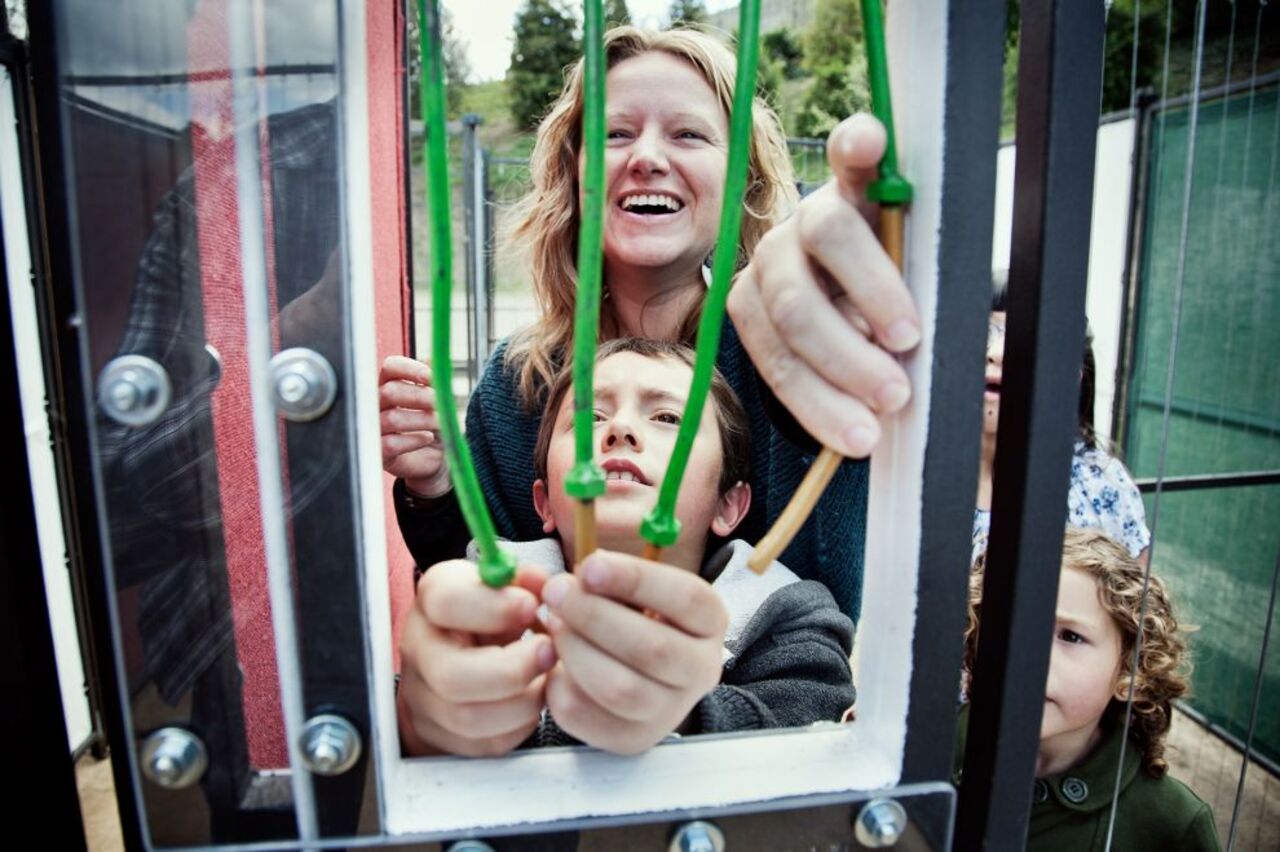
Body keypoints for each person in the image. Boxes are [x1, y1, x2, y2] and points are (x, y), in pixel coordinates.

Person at [381, 25, 922, 622]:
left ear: (743, 176)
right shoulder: (517, 383)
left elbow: (841, 568)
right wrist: (434, 490)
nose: (647, 158)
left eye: (689, 134)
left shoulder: (790, 341)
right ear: (575, 173)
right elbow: (487, 577)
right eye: (615, 134)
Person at [396, 338, 855, 757]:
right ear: (544, 503)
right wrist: (416, 726)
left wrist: (683, 717)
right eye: (588, 417)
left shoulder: (787, 618)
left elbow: (806, 727)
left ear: (729, 505)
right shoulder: (488, 603)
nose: (619, 428)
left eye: (669, 418)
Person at [959, 527, 1219, 851]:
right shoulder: (934, 739)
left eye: (1070, 636)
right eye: (1009, 620)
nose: (1027, 656)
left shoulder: (1171, 823)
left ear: (1130, 672)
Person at [973, 272, 1151, 563]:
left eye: (1022, 340)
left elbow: (1135, 602)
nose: (996, 352)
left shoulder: (1102, 485)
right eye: (984, 334)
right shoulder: (906, 476)